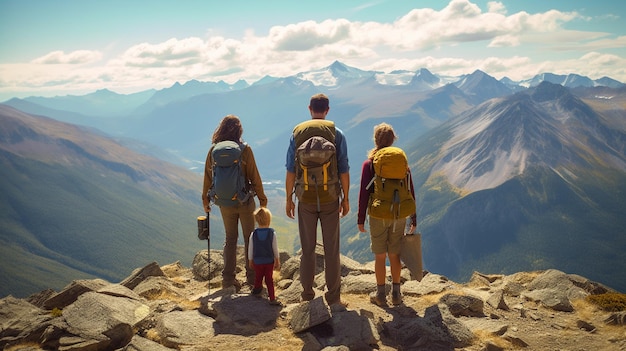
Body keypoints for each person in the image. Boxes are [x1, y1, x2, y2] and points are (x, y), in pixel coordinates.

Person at [285, 93, 350, 307]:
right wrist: (346, 198)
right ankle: (333, 297)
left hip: (306, 198)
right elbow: (343, 169)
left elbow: (290, 170)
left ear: (310, 108)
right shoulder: (336, 134)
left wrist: (289, 199)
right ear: (327, 110)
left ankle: (306, 295)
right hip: (330, 197)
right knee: (332, 249)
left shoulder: (297, 134)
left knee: (308, 249)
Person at [202, 114, 268, 290]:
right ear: (239, 130)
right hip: (245, 202)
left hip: (225, 203)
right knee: (250, 239)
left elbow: (208, 178)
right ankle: (253, 280)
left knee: (230, 239)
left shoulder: (213, 151)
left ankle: (228, 280)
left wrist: (205, 199)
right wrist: (262, 200)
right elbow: (255, 177)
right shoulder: (245, 150)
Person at [357, 122, 417, 306]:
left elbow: (364, 192)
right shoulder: (401, 163)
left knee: (380, 256)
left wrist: (360, 219)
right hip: (399, 214)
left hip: (378, 214)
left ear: (375, 140)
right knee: (395, 254)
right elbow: (410, 190)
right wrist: (413, 217)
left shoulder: (369, 164)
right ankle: (397, 294)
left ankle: (381, 295)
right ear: (393, 140)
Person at [248, 207, 282, 305]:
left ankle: (256, 292)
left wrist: (250, 260)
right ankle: (272, 298)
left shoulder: (253, 234)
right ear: (269, 219)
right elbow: (275, 248)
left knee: (258, 277)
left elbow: (250, 248)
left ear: (257, 220)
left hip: (258, 261)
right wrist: (277, 260)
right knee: (269, 280)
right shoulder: (272, 233)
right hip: (269, 261)